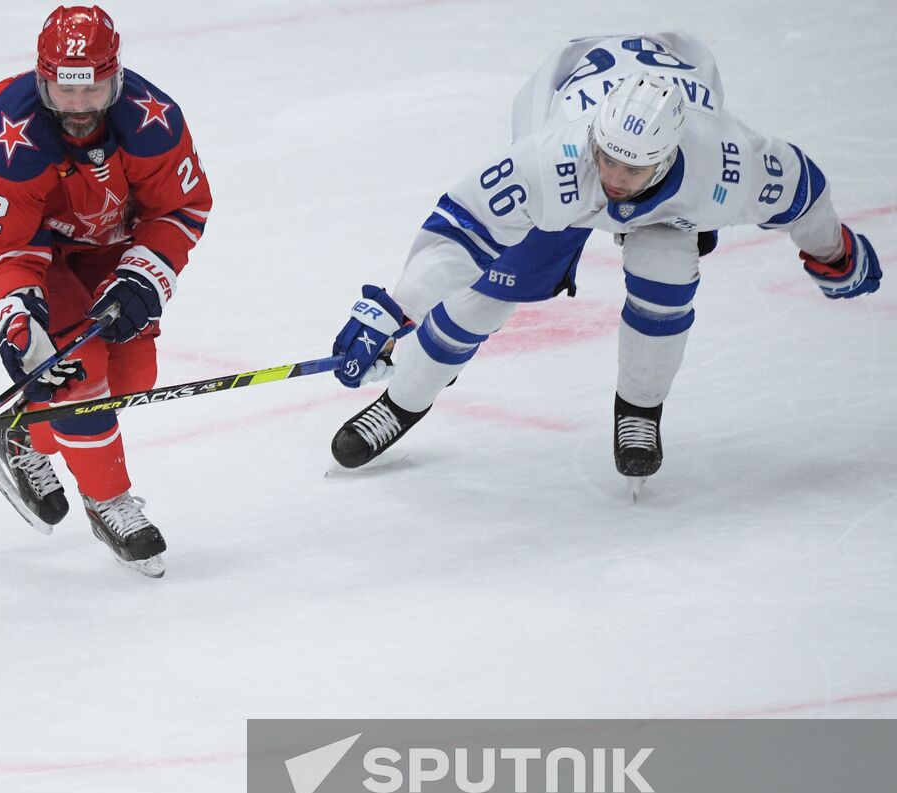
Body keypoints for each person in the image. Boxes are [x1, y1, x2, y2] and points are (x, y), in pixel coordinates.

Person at [328, 32, 881, 492]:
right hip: (563, 139)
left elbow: (803, 193)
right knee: (487, 293)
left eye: (632, 170)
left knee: (666, 276)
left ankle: (640, 409)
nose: (614, 178)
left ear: (668, 155)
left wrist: (833, 252)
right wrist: (392, 311)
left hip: (671, 205)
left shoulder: (728, 166)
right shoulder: (554, 160)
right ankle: (403, 401)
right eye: (607, 158)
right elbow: (461, 230)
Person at [0, 5, 212, 576]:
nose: (80, 109)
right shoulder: (6, 140)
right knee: (79, 370)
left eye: (94, 92)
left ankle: (19, 436)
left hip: (99, 232)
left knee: (133, 375)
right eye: (64, 92)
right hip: (8, 239)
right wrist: (17, 317)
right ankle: (108, 499)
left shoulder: (152, 122)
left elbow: (180, 208)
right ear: (43, 81)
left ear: (116, 80)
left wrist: (144, 276)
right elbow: (5, 251)